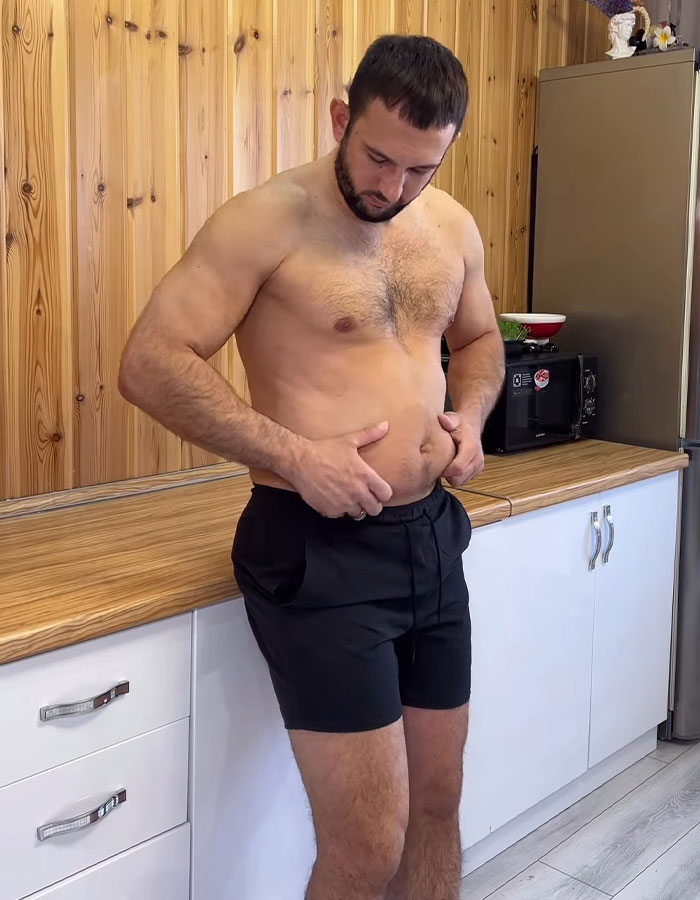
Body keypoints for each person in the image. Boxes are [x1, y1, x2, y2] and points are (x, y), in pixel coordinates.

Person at [119, 34, 504, 900]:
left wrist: (470, 419)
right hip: (316, 550)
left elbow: (479, 339)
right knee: (367, 847)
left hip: (432, 541)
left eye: (420, 169)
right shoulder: (266, 221)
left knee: (439, 803)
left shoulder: (450, 228)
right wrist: (296, 456)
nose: (393, 189)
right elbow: (150, 362)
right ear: (341, 118)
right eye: (376, 158)